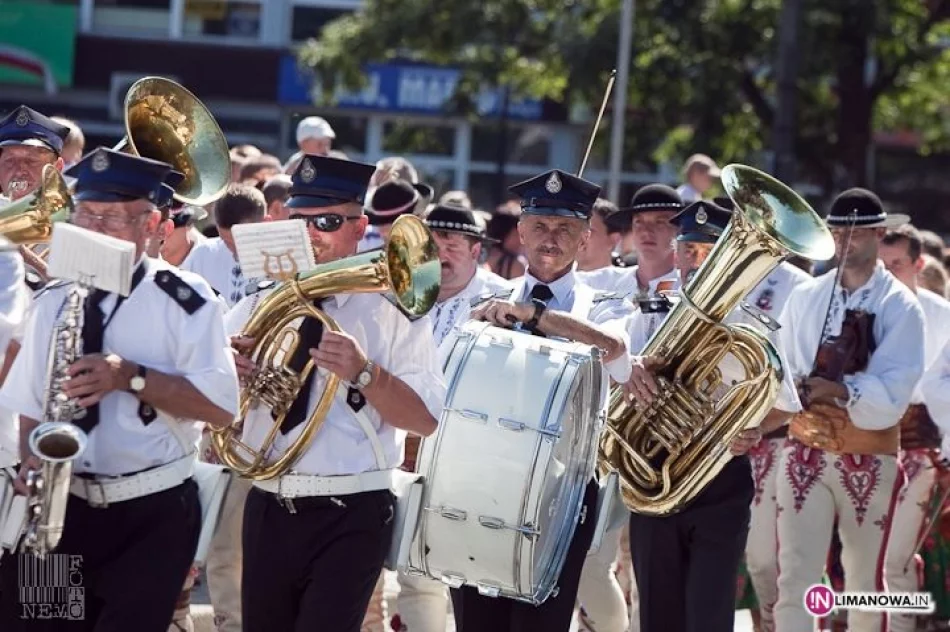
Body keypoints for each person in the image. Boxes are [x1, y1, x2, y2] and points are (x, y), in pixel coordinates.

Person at [0, 146, 239, 631]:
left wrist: (131, 376)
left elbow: (220, 409)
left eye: (113, 218)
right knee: (43, 624)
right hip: (60, 510)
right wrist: (30, 460)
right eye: (87, 215)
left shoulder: (188, 301)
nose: (96, 229)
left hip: (150, 514)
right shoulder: (53, 298)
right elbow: (27, 406)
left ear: (151, 226)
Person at [224, 154, 446, 632]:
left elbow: (427, 419)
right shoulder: (256, 304)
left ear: (359, 226)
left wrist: (366, 373)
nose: (311, 235)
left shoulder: (392, 313)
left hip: (351, 509)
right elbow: (215, 416)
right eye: (300, 221)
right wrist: (230, 374)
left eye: (326, 222)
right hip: (267, 502)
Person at [453, 169, 635, 632]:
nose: (550, 239)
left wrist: (537, 315)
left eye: (565, 229)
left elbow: (616, 354)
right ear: (520, 232)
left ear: (585, 237)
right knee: (478, 622)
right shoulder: (486, 300)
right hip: (485, 481)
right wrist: (478, 329)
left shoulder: (605, 302)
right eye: (539, 227)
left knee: (540, 624)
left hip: (562, 489)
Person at [622, 199, 800, 632]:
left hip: (720, 482)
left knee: (709, 612)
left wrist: (752, 428)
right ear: (675, 253)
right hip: (653, 474)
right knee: (658, 615)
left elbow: (787, 404)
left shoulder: (753, 328)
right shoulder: (645, 317)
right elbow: (615, 377)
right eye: (687, 251)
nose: (693, 262)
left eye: (707, 251)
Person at [772, 188, 925, 632]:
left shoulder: (901, 306)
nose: (845, 240)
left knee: (864, 581)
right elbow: (786, 368)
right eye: (838, 231)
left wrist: (839, 390)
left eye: (856, 231)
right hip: (804, 449)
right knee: (795, 576)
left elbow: (894, 392)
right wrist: (802, 389)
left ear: (879, 234)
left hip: (868, 453)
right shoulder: (807, 295)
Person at [877, 224, 950, 632]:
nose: (887, 274)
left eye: (897, 265)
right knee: (861, 559)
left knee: (895, 558)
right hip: (860, 447)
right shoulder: (864, 307)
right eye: (881, 265)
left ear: (919, 265)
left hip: (920, 448)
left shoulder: (942, 316)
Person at [180, 183, 266, 307]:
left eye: (242, 240)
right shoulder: (202, 255)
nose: (236, 250)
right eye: (227, 241)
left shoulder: (282, 259)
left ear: (266, 222)